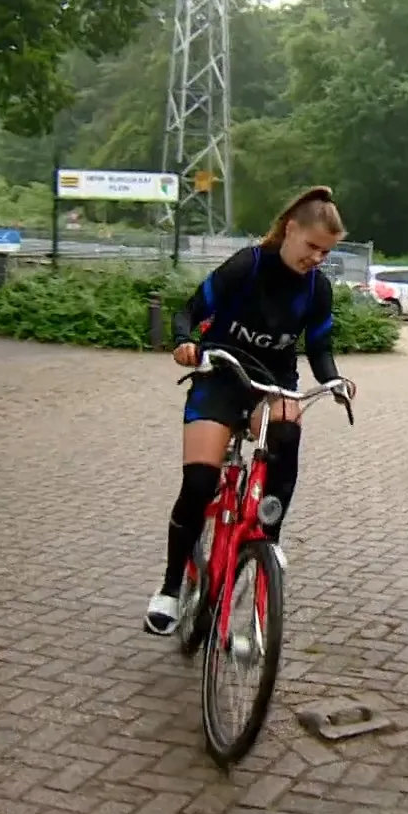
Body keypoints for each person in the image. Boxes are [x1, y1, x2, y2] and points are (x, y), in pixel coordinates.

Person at [144, 187, 357, 636]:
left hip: (273, 380)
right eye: (312, 247)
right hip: (222, 372)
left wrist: (335, 380)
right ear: (290, 230)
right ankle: (169, 588)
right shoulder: (249, 265)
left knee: (286, 433)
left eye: (326, 251)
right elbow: (191, 311)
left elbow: (318, 348)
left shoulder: (318, 289)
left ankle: (267, 540)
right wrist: (186, 342)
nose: (318, 258)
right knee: (200, 481)